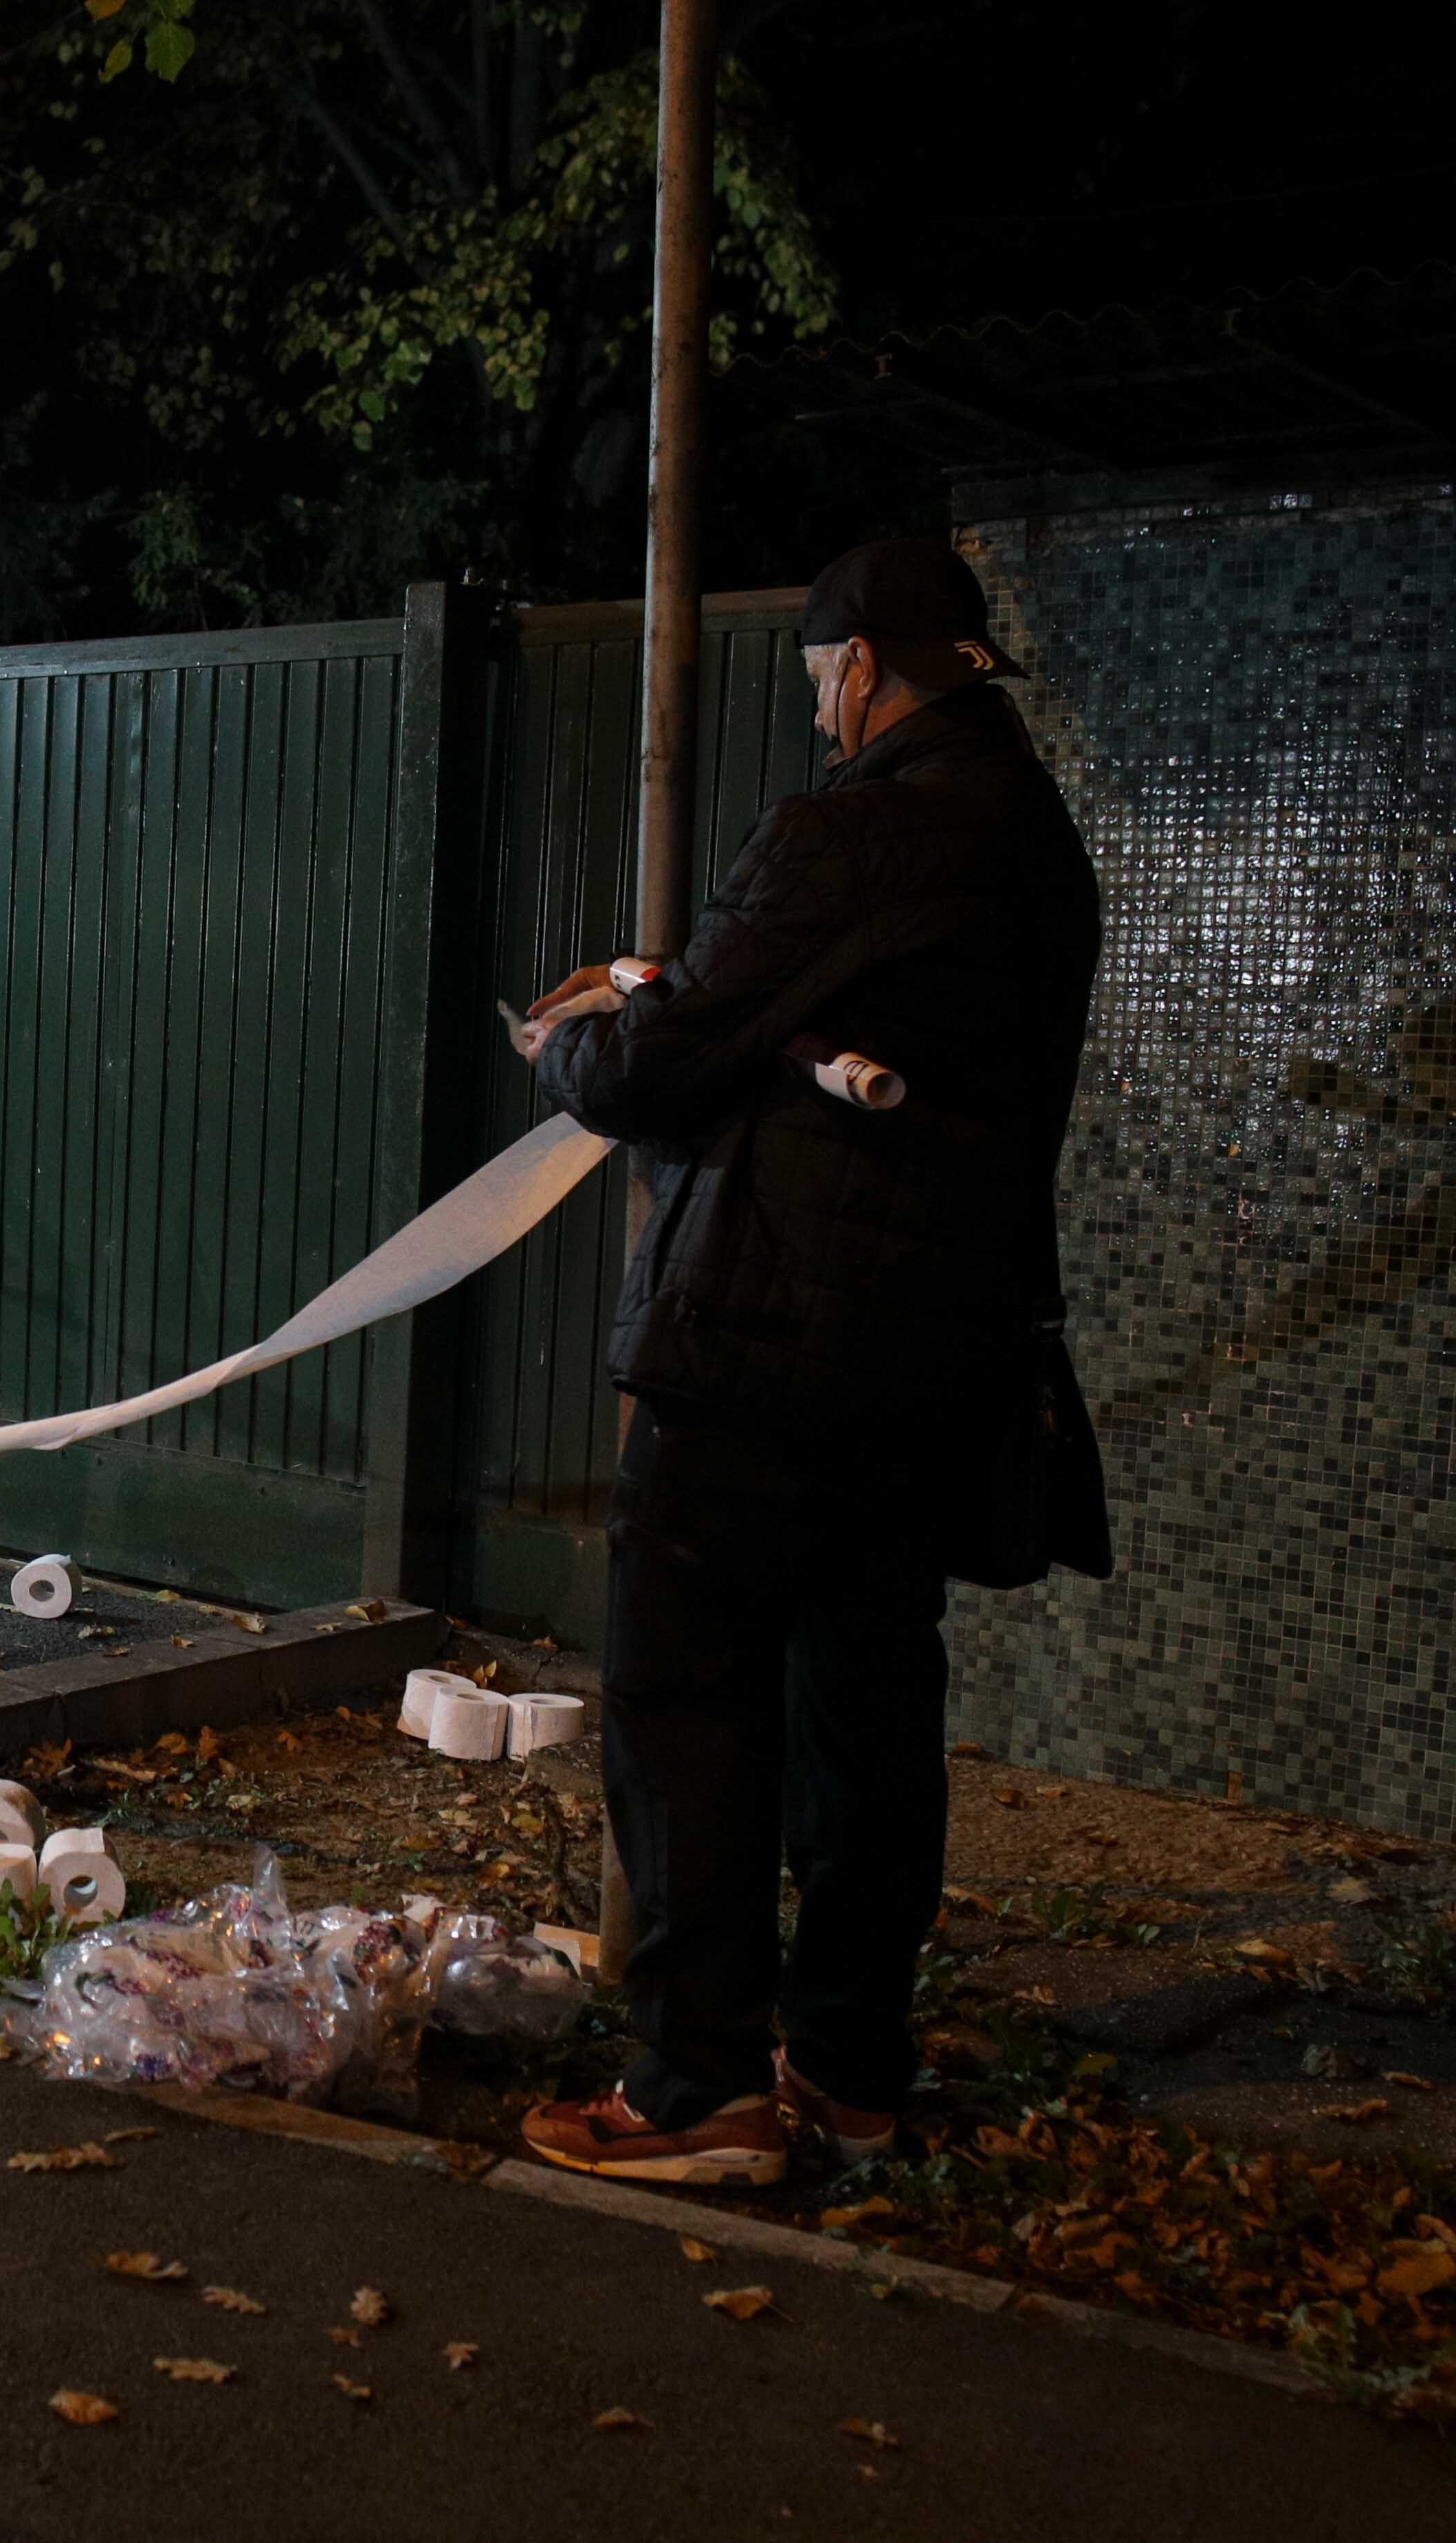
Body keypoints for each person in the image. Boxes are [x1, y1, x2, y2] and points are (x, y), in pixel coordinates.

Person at [512, 539, 1110, 2188]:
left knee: (688, 1694)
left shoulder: (848, 826)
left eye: (815, 684)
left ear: (858, 668)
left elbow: (657, 1062)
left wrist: (566, 1041)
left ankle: (698, 2085)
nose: (818, 713)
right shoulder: (1039, 843)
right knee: (862, 1703)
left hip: (768, 1341)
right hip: (941, 1363)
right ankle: (845, 2068)